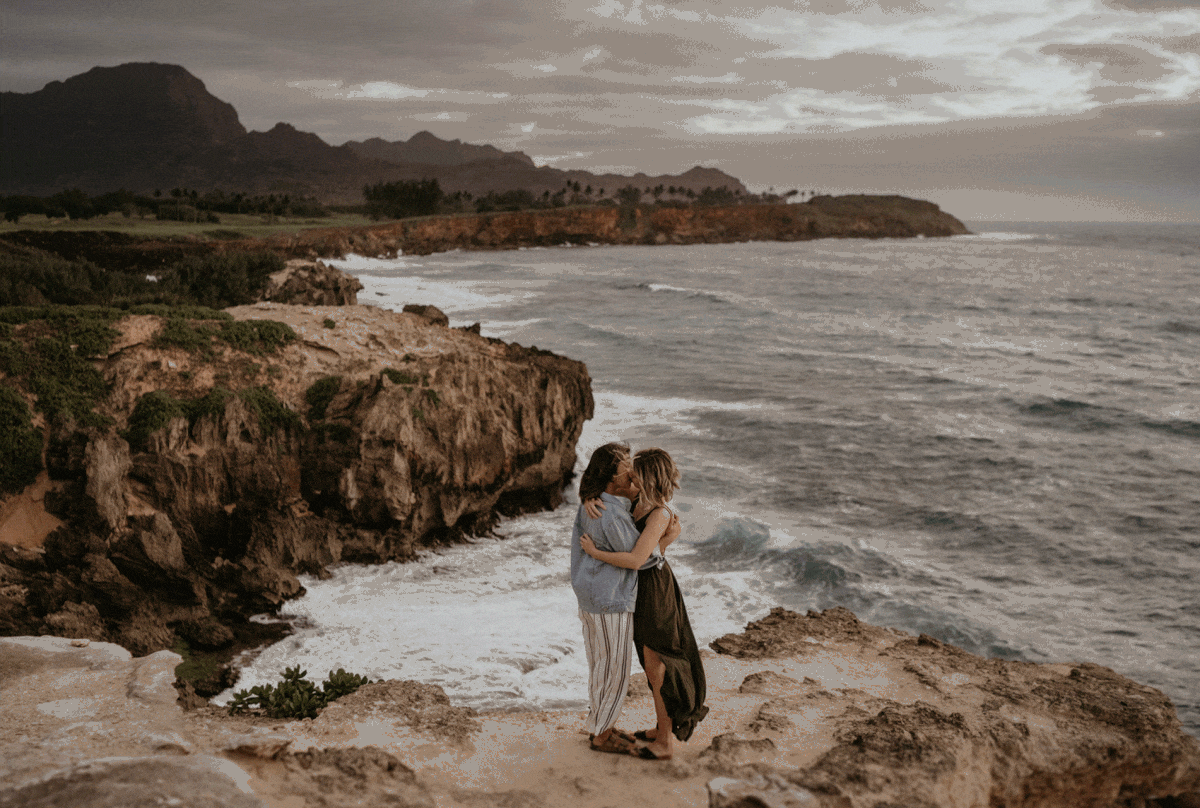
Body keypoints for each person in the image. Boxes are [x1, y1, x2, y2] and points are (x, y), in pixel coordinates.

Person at [580, 447, 707, 761]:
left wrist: (596, 554)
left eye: (634, 474)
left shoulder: (661, 513)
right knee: (649, 664)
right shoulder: (636, 501)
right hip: (639, 588)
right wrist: (590, 497)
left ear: (647, 478)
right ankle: (660, 728)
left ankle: (665, 741)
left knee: (656, 666)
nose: (629, 478)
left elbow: (638, 559)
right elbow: (613, 499)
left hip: (654, 591)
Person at [569, 442, 671, 754]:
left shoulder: (596, 503)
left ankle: (600, 725)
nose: (631, 468)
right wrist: (668, 536)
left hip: (591, 595)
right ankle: (602, 735)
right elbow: (642, 557)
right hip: (609, 597)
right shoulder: (610, 514)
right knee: (614, 667)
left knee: (600, 664)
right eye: (625, 463)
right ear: (614, 478)